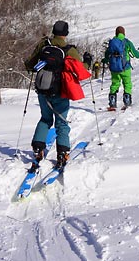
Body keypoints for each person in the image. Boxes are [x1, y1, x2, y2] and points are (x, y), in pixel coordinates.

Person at [24, 20, 87, 170]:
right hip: (61, 91)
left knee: (45, 119)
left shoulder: (43, 45)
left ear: (53, 31)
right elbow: (81, 69)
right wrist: (88, 61)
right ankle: (62, 152)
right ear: (66, 33)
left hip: (43, 90)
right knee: (61, 122)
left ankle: (38, 148)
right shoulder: (68, 50)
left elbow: (31, 64)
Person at [105, 26, 139, 111]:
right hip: (125, 68)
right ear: (124, 33)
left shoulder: (112, 43)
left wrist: (105, 60)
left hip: (114, 68)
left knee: (114, 84)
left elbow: (107, 55)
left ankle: (112, 103)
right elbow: (135, 53)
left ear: (116, 33)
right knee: (127, 84)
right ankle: (127, 102)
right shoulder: (127, 42)